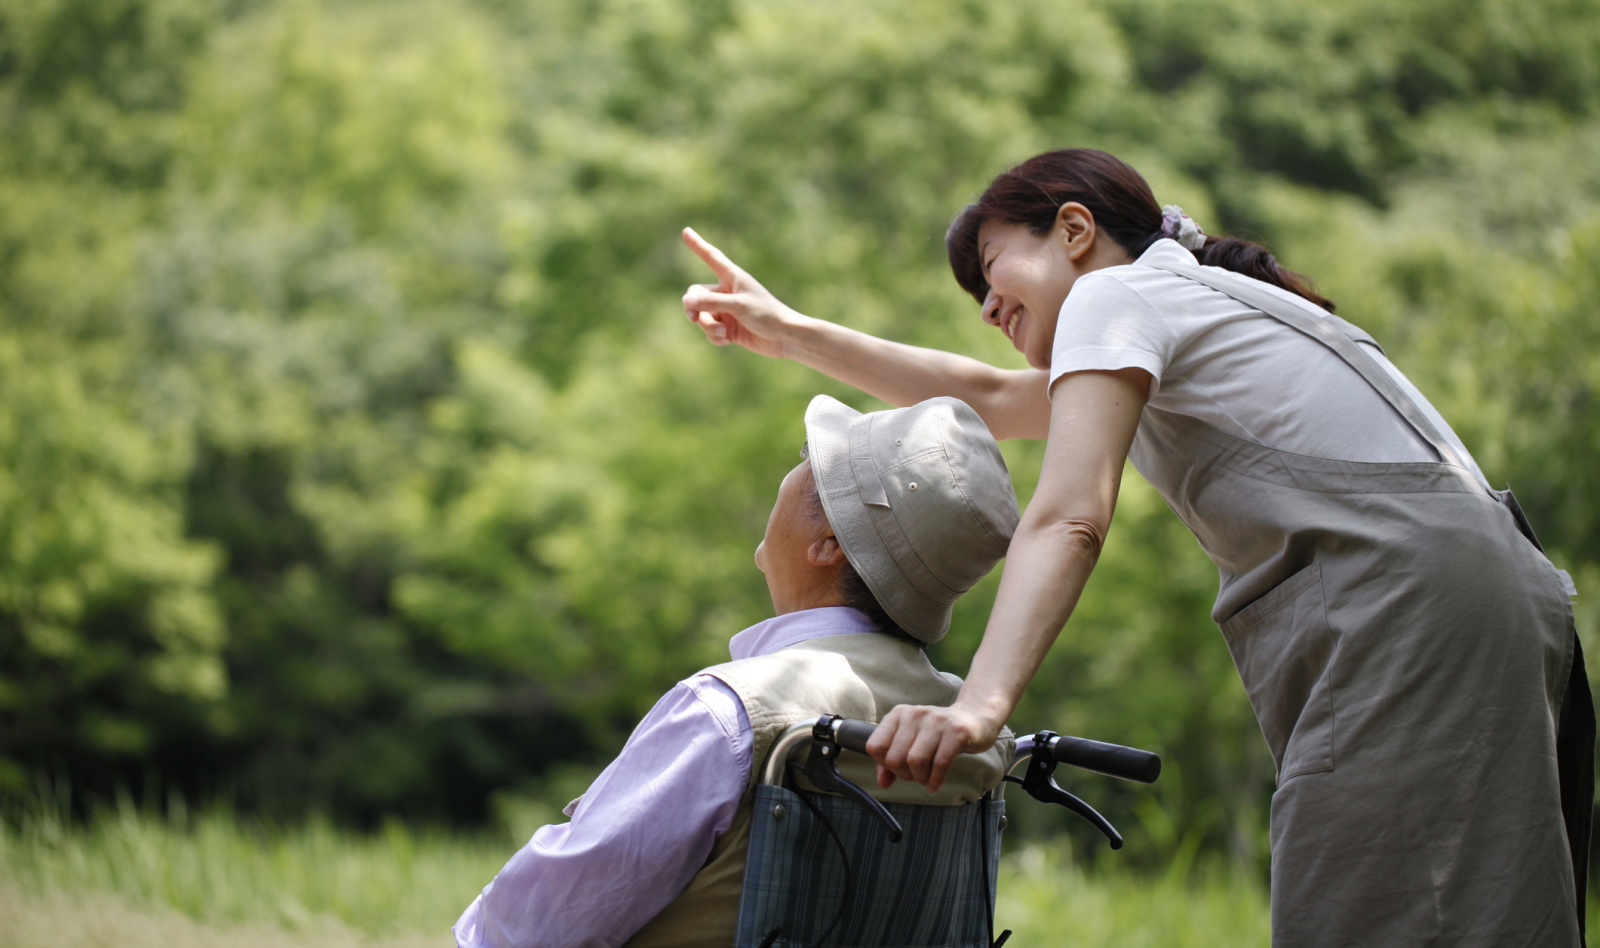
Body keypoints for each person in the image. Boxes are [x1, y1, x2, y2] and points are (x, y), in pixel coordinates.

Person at [679, 148, 1594, 947]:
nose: (987, 304)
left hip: (1414, 616)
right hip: (1484, 599)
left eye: (993, 268)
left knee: (1373, 907)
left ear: (1074, 229)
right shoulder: (1172, 307)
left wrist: (979, 709)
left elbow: (1072, 513)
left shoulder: (1119, 294)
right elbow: (996, 398)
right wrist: (789, 332)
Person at [452, 394, 1020, 948]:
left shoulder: (732, 711)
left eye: (809, 459)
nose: (794, 468)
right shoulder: (974, 737)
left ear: (828, 545)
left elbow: (534, 926)